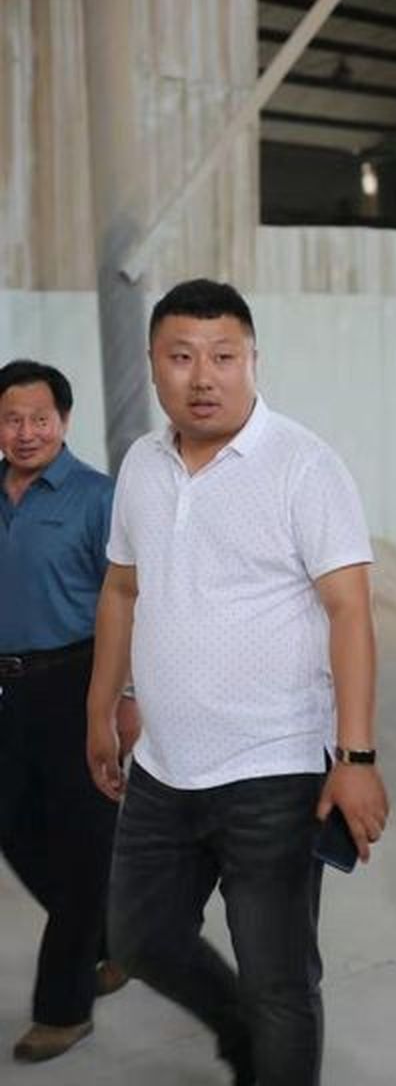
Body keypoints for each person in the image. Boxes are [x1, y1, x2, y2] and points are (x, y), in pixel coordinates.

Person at [86, 278, 388, 1086]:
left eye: (223, 357)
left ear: (254, 360)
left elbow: (350, 611)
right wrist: (103, 704)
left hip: (275, 771)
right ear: (153, 364)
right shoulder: (142, 464)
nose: (203, 377)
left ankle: (265, 1046)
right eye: (181, 357)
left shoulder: (302, 465)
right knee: (138, 937)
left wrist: (356, 758)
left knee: (279, 981)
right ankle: (242, 1038)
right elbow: (122, 590)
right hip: (163, 768)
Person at [0, 359, 136, 1063]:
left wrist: (126, 699)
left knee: (84, 846)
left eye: (39, 418)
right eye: (11, 420)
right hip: (6, 691)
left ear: (64, 420)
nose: (26, 433)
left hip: (79, 685)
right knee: (15, 829)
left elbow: (134, 604)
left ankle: (63, 1008)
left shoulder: (97, 498)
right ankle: (115, 934)